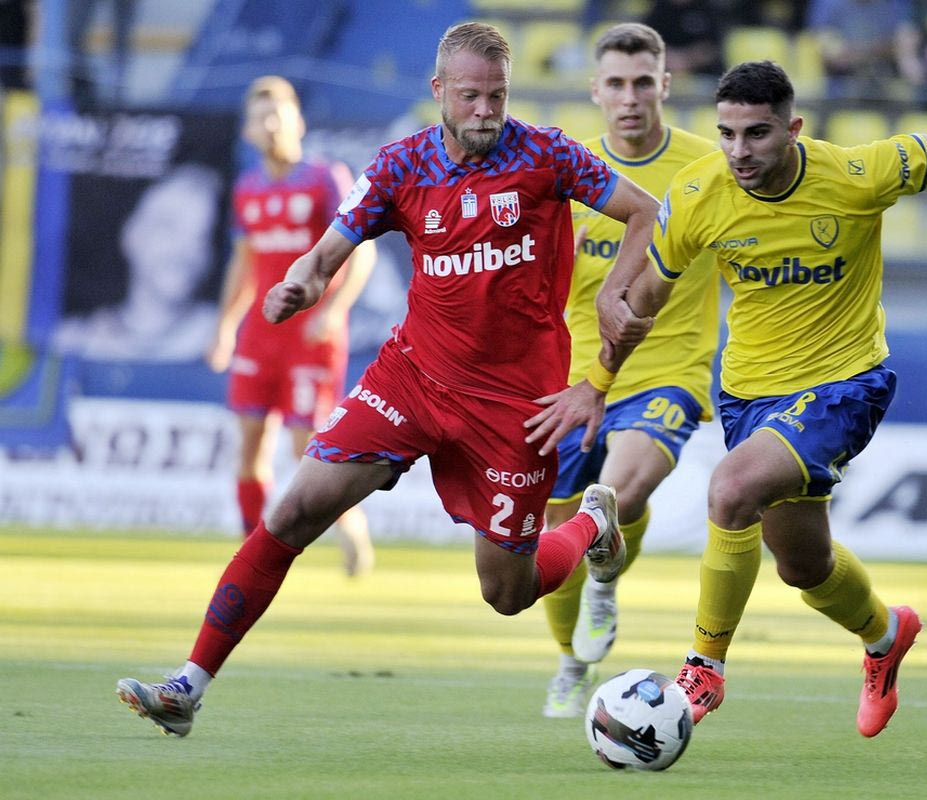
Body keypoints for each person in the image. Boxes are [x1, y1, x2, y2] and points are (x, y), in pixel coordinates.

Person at [114, 21, 661, 737]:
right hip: (412, 380)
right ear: (439, 90)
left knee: (507, 592)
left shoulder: (547, 154)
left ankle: (591, 523)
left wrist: (612, 293)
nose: (485, 111)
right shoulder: (401, 165)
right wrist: (303, 284)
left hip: (514, 405)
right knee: (292, 512)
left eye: (497, 96)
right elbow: (327, 251)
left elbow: (645, 211)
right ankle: (188, 686)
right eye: (469, 96)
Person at [526, 60, 927, 737]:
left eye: (757, 134)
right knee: (803, 564)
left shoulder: (855, 175)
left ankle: (703, 667)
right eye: (727, 134)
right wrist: (597, 384)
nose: (739, 151)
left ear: (793, 129)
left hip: (844, 383)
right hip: (749, 397)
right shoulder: (699, 192)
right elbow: (644, 301)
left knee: (731, 489)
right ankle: (886, 635)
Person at [539, 22, 721, 718]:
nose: (630, 97)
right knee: (551, 542)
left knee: (616, 493)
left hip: (668, 370)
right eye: (615, 83)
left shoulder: (709, 169)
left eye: (643, 82)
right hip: (573, 381)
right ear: (595, 90)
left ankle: (605, 580)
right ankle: (569, 660)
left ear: (665, 86)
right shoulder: (571, 173)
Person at [206, 76, 377, 575]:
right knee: (250, 444)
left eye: (277, 115)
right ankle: (250, 555)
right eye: (260, 118)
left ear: (298, 122)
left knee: (309, 450)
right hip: (260, 336)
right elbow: (244, 264)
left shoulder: (325, 178)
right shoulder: (248, 188)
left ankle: (350, 526)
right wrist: (225, 326)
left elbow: (361, 253)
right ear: (247, 131)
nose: (269, 126)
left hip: (310, 336)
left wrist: (333, 309)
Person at [52, 162, 223, 362]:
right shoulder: (76, 340)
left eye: (202, 237)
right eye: (170, 228)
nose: (186, 251)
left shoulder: (222, 336)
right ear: (131, 233)